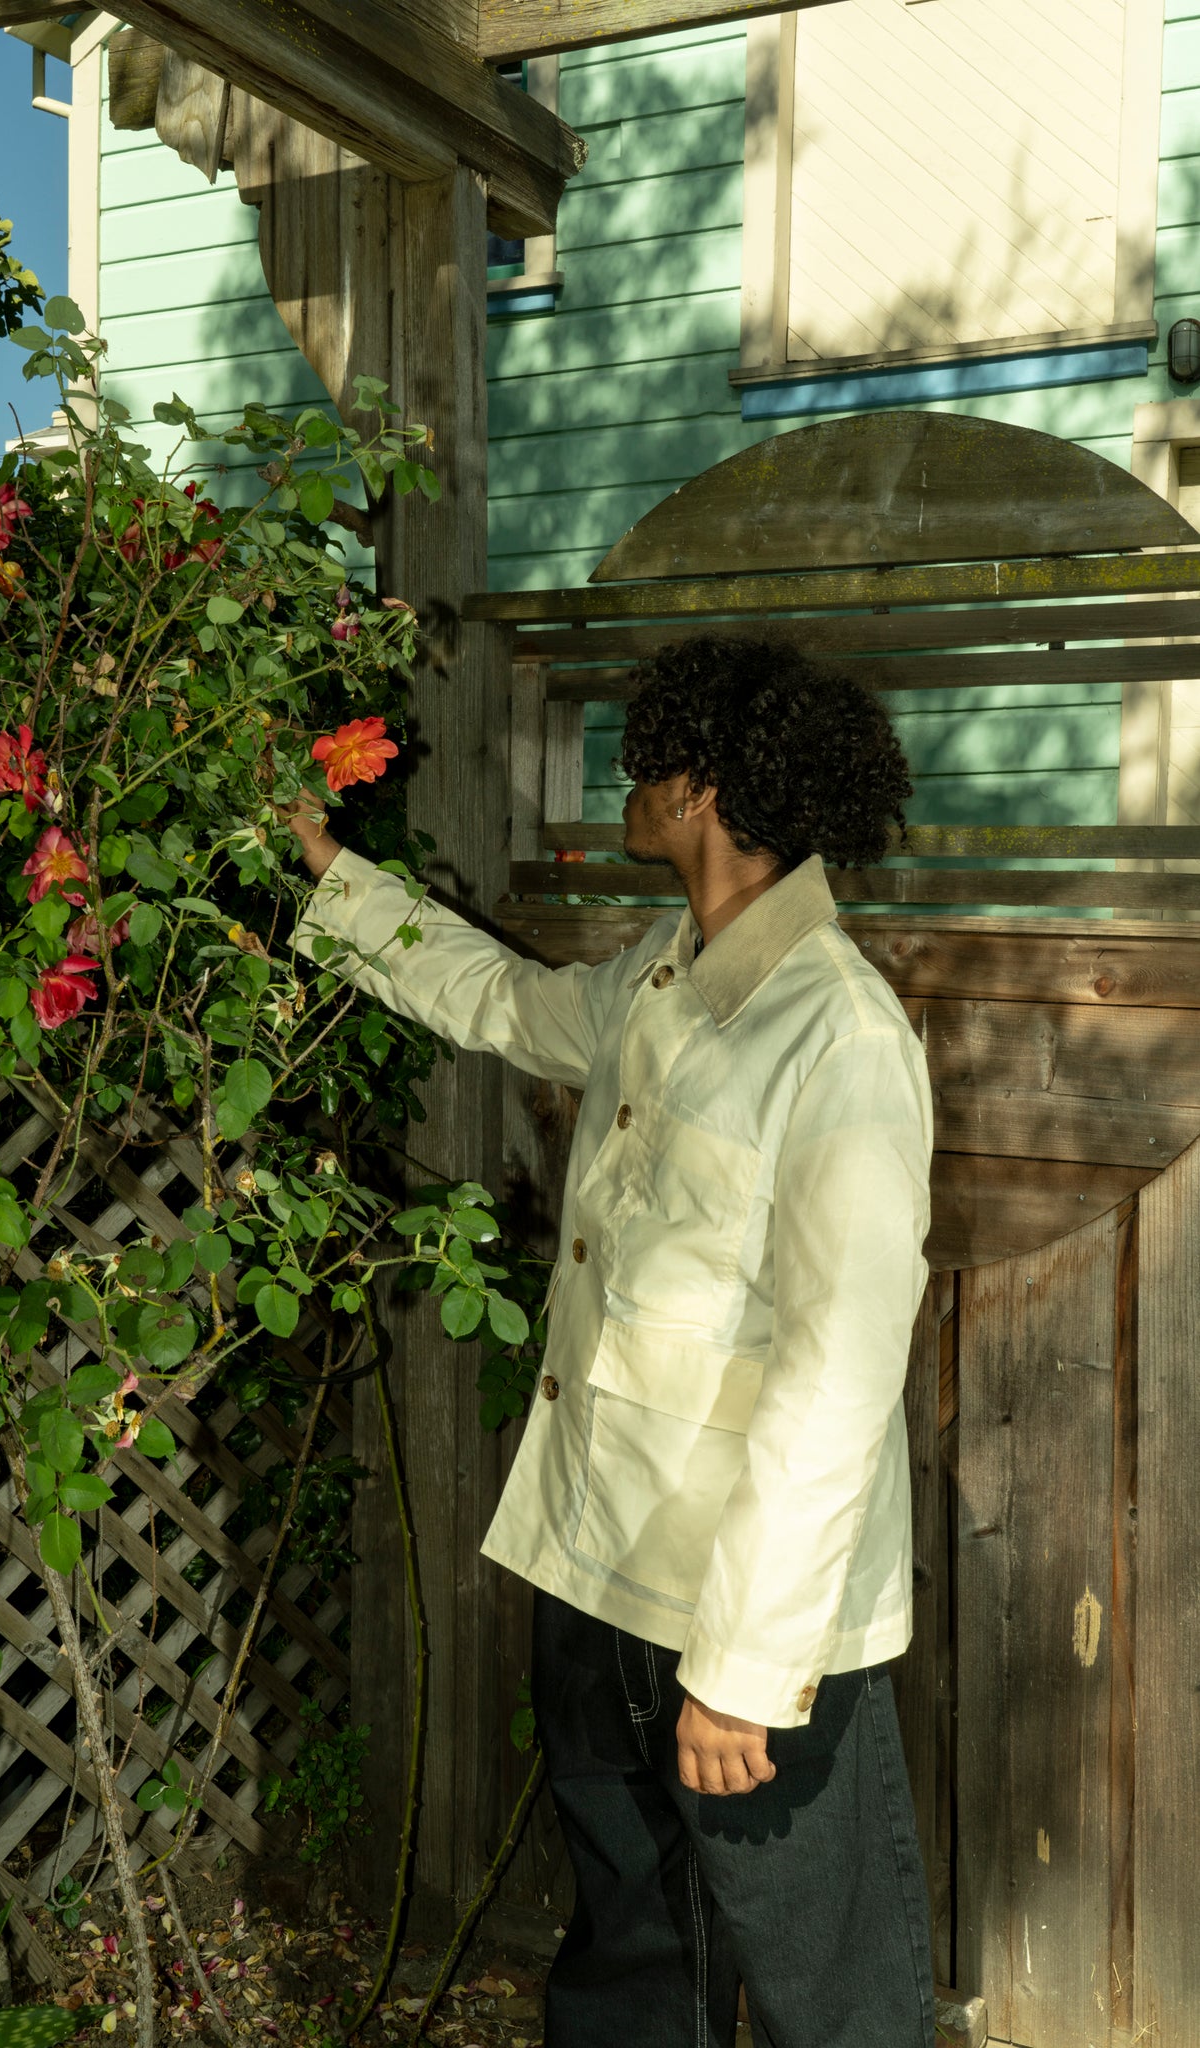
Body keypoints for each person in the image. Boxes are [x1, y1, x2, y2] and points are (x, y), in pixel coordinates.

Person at [289, 634, 935, 2048]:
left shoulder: (839, 1038)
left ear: (703, 788)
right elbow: (507, 1004)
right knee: (631, 1960)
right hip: (596, 1565)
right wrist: (329, 876)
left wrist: (746, 1670)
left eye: (651, 756)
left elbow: (836, 1381)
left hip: (736, 1619)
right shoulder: (664, 973)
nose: (628, 778)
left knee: (833, 1992)